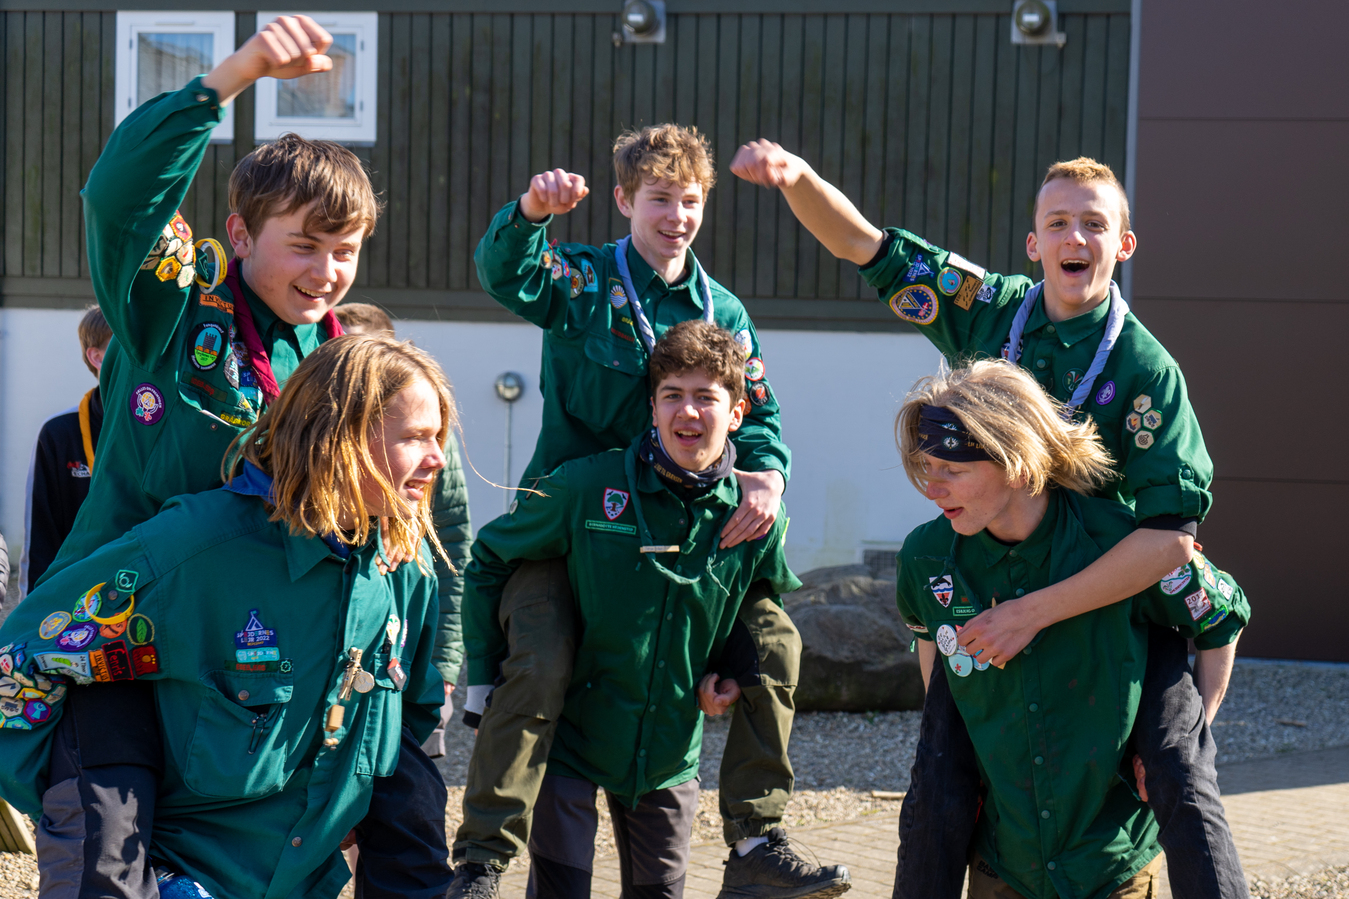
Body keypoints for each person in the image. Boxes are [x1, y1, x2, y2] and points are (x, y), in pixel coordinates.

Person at [732, 144, 1249, 898]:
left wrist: (1029, 613)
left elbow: (1173, 542)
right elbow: (865, 246)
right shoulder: (992, 311)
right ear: (1033, 243)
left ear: (1124, 244)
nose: (1075, 237)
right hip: (991, 579)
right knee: (941, 783)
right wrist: (797, 178)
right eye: (1058, 223)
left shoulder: (1145, 369)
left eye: (1094, 224)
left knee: (1177, 771)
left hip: (1115, 603)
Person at [31, 16, 451, 899]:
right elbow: (118, 198)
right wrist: (235, 74)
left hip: (259, 655)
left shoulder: (342, 365)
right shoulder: (176, 312)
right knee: (109, 852)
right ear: (241, 231)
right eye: (304, 245)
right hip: (134, 634)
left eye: (345, 250)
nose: (327, 272)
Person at [455, 124, 845, 899]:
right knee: (542, 661)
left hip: (681, 532)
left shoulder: (721, 311)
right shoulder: (583, 280)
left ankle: (756, 838)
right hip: (570, 529)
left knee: (773, 644)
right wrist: (530, 213)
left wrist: (767, 479)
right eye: (659, 199)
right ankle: (481, 863)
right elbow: (506, 273)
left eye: (690, 201)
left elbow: (757, 413)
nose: (676, 216)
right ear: (625, 200)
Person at [0, 335, 453, 898]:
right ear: (341, 436)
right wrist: (75, 815)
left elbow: (410, 715)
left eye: (438, 437)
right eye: (415, 437)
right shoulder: (194, 548)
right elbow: (22, 659)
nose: (437, 458)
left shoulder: (405, 570)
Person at [465, 321, 829, 899]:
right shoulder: (585, 487)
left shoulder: (755, 516)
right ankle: (478, 866)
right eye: (672, 395)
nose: (688, 411)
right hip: (572, 743)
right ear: (652, 408)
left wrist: (727, 676)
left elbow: (757, 621)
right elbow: (489, 558)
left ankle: (757, 843)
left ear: (737, 413)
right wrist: (483, 679)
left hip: (666, 754)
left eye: (706, 396)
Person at [893, 359, 1247, 899]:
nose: (931, 488)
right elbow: (932, 648)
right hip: (1002, 862)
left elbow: (1221, 620)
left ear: (1016, 462)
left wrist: (1180, 748)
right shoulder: (925, 557)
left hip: (1111, 863)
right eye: (926, 467)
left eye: (952, 470)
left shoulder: (1127, 548)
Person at [335, 302, 472, 759]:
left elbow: (453, 547)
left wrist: (445, 658)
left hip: (407, 651)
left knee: (414, 773)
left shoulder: (430, 446)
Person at [20, 306, 112, 599]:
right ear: (96, 357)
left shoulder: (160, 429)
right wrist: (29, 615)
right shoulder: (58, 434)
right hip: (75, 602)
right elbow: (39, 539)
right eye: (125, 345)